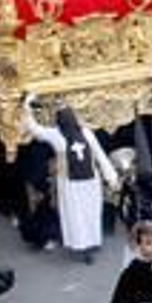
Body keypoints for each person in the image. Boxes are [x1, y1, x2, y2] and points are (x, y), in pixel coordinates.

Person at [23, 103, 117, 263]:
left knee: (76, 216)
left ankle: (82, 246)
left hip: (70, 184)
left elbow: (35, 129)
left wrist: (27, 107)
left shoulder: (57, 136)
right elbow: (99, 154)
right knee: (91, 213)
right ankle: (93, 242)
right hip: (91, 181)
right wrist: (111, 176)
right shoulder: (86, 133)